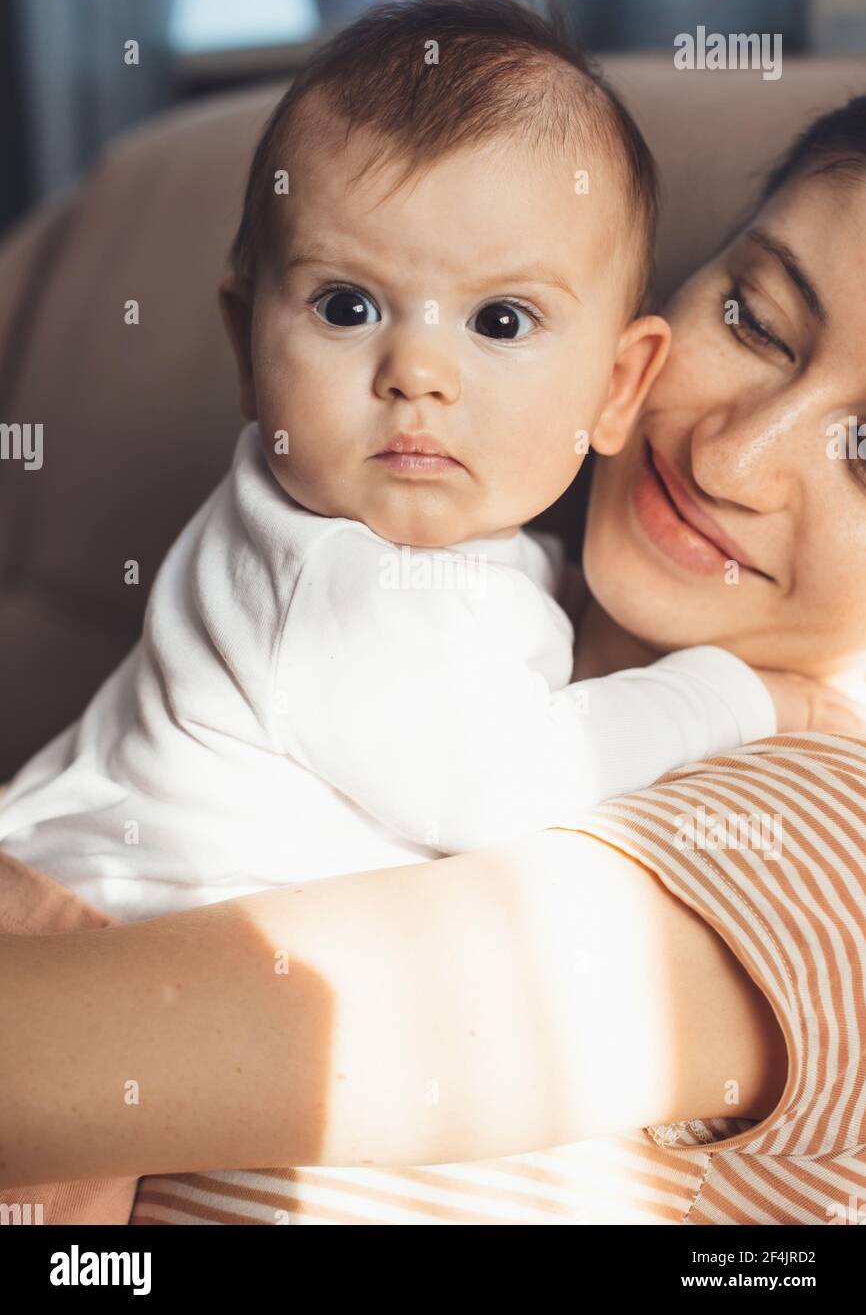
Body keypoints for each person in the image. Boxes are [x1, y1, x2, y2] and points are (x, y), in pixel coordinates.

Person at [3, 80, 866, 1228]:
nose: (730, 459)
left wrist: (733, 697)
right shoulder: (428, 564)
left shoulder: (814, 823)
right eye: (754, 320)